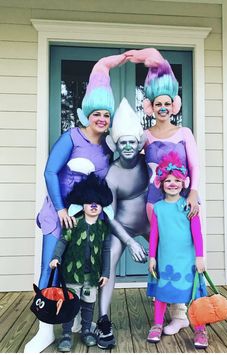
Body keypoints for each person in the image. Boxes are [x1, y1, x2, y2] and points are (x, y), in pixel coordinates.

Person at [24, 53, 127, 353]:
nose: (102, 119)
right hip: (59, 215)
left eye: (106, 115)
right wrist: (59, 209)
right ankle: (45, 328)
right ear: (86, 113)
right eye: (97, 113)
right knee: (50, 269)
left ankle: (79, 321)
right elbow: (50, 171)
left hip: (86, 218)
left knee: (81, 271)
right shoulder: (71, 137)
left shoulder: (107, 149)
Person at [125, 48, 200, 335]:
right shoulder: (145, 137)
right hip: (154, 203)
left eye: (167, 103)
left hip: (183, 202)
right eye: (158, 103)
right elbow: (131, 163)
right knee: (160, 252)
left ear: (175, 104)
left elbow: (195, 166)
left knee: (183, 251)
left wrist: (193, 193)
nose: (163, 108)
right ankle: (164, 311)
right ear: (150, 107)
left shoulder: (185, 134)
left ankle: (182, 313)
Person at [96, 98, 149, 349]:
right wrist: (128, 242)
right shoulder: (112, 173)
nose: (128, 146)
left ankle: (178, 308)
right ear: (115, 144)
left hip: (149, 224)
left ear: (138, 142)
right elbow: (109, 215)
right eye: (122, 142)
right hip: (122, 227)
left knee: (172, 250)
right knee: (109, 262)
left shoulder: (148, 164)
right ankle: (103, 319)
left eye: (131, 141)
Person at [147, 151, 208, 349]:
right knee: (162, 291)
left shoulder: (189, 205)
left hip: (188, 259)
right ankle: (157, 324)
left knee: (193, 294)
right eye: (168, 180)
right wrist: (152, 257)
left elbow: (197, 234)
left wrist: (200, 257)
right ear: (161, 183)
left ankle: (200, 328)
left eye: (177, 180)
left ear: (184, 183)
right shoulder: (158, 208)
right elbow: (154, 235)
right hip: (166, 259)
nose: (172, 183)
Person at [49, 173, 113, 352]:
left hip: (92, 275)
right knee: (70, 303)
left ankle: (86, 330)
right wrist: (56, 257)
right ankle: (67, 333)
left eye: (97, 203)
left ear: (102, 206)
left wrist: (106, 273)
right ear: (82, 204)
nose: (93, 206)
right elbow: (62, 241)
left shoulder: (103, 228)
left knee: (88, 303)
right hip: (72, 273)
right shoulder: (73, 223)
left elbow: (106, 251)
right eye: (89, 202)